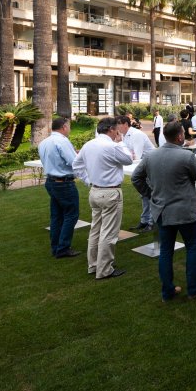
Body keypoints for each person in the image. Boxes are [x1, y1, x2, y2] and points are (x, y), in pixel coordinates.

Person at [132, 120, 196, 301]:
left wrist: (150, 194)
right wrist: (150, 194)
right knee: (192, 247)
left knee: (166, 251)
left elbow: (136, 178)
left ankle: (168, 291)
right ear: (180, 136)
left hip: (162, 211)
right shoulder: (186, 156)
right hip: (185, 211)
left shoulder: (151, 156)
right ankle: (193, 288)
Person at [72, 117, 134, 280]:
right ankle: (104, 269)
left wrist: (88, 180)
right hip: (110, 193)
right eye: (116, 130)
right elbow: (128, 159)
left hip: (95, 191)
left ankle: (93, 265)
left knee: (95, 230)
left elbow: (76, 166)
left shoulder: (88, 145)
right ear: (111, 130)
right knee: (109, 232)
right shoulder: (112, 146)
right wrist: (121, 142)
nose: (117, 133)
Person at [37, 117, 81, 258]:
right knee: (71, 214)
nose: (69, 129)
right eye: (69, 126)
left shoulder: (44, 142)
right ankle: (63, 248)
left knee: (56, 216)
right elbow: (73, 162)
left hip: (51, 182)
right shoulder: (62, 141)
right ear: (63, 127)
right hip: (64, 183)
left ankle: (56, 246)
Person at [118, 115, 155, 233]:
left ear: (125, 124)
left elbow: (136, 156)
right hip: (143, 167)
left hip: (150, 167)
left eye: (117, 124)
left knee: (150, 194)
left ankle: (151, 222)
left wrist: (129, 156)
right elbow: (127, 155)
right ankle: (144, 221)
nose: (115, 127)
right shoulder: (124, 135)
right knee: (145, 194)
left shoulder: (136, 134)